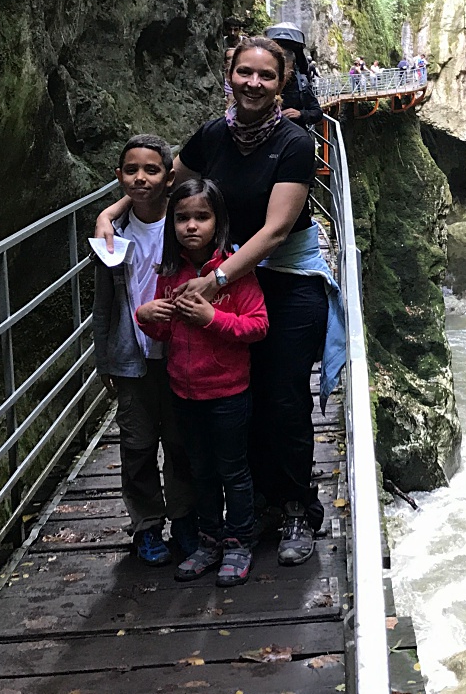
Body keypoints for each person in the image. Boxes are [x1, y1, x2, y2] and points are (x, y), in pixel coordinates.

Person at [97, 37, 344, 566]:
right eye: (244, 73)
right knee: (240, 397)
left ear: (282, 83)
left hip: (283, 278)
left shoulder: (295, 142)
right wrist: (114, 211)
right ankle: (250, 509)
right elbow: (168, 179)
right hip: (226, 275)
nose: (254, 83)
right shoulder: (214, 135)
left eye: (266, 75)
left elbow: (277, 230)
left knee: (282, 398)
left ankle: (297, 505)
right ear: (229, 76)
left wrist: (217, 278)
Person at [136, 178, 268, 586]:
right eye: (181, 218)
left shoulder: (233, 273)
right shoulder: (170, 274)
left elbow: (258, 325)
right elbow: (166, 335)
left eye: (201, 217)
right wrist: (146, 317)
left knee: (233, 471)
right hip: (184, 391)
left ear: (218, 222)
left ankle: (238, 542)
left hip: (228, 392)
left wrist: (213, 319)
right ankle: (209, 541)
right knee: (200, 470)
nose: (191, 226)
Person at [91, 135, 195, 566]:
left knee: (180, 440)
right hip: (132, 357)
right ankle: (147, 525)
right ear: (119, 177)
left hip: (179, 354)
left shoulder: (185, 222)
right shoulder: (111, 234)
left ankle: (186, 519)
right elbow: (103, 301)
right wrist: (103, 358)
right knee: (136, 445)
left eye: (151, 170)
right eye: (131, 170)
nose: (141, 178)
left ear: (169, 176)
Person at [264, 24, 323, 127]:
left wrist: (300, 114)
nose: (283, 72)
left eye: (286, 68)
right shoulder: (263, 83)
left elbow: (317, 112)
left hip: (295, 133)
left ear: (292, 66)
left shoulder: (301, 84)